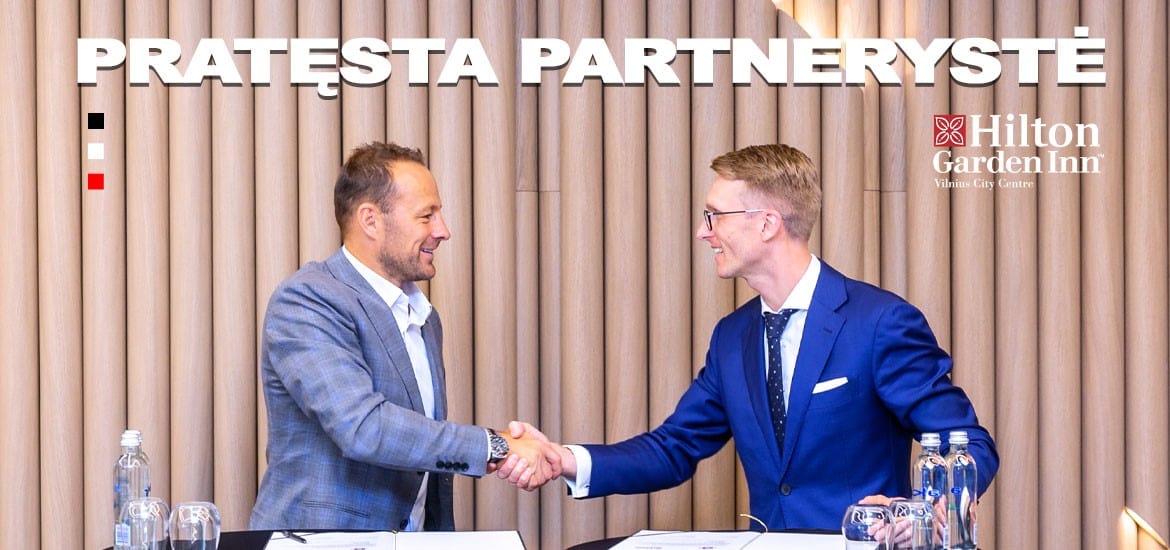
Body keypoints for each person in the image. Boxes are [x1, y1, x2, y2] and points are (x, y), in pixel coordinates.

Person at [498, 143, 998, 532]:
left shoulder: (880, 322)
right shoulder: (732, 337)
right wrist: (562, 459)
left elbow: (969, 443)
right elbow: (673, 448)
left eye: (714, 215)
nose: (703, 232)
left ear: (766, 224)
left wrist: (924, 512)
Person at [250, 142, 557, 532]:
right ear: (370, 220)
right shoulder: (309, 299)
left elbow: (418, 452)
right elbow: (364, 428)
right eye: (426, 216)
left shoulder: (424, 317)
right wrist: (496, 445)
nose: (443, 231)